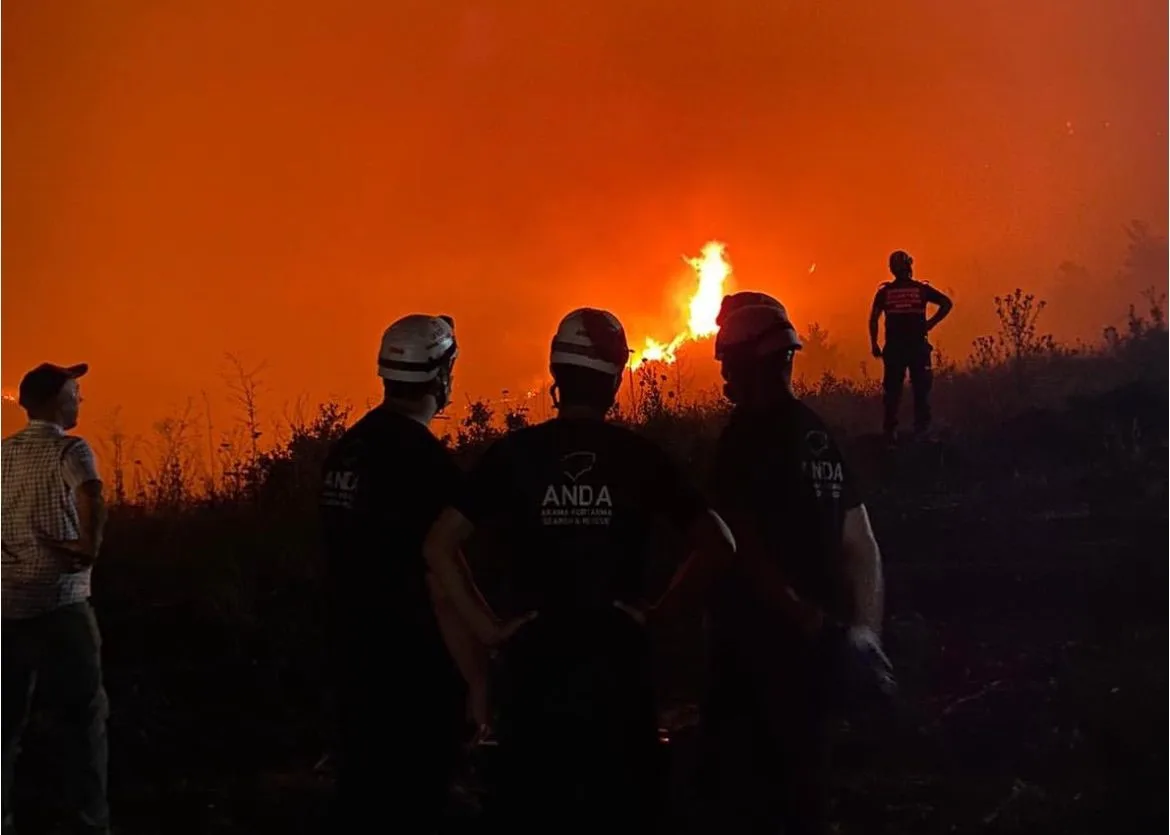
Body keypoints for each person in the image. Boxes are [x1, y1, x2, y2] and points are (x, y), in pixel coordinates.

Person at [422, 307, 738, 833]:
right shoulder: (641, 457)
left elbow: (437, 547)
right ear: (615, 380)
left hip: (532, 680)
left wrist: (491, 631)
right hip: (620, 680)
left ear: (555, 376)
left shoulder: (513, 456)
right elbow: (718, 544)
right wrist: (659, 616)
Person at [696, 293, 894, 835]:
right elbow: (863, 542)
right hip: (818, 651)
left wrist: (797, 613)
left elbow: (739, 545)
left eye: (726, 365)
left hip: (758, 653)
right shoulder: (818, 434)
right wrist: (862, 635)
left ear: (743, 363)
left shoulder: (744, 440)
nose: (725, 378)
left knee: (741, 794)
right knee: (805, 788)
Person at [318, 314, 508, 833]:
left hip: (351, 656)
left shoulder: (347, 451)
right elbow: (440, 580)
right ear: (442, 373)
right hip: (412, 668)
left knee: (362, 794)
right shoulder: (423, 462)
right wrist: (478, 677)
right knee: (417, 799)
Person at [2, 362, 110, 835]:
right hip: (62, 605)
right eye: (75, 393)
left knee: (5, 726)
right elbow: (92, 494)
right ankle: (89, 825)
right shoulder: (72, 448)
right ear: (55, 401)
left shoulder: (2, 455)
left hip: (6, 607)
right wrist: (88, 547)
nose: (80, 400)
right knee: (84, 720)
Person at [868, 250, 954, 440]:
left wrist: (874, 343)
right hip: (917, 347)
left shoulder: (885, 292)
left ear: (892, 269)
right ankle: (921, 430)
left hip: (895, 348)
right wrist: (931, 323)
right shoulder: (921, 290)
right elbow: (947, 303)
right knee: (921, 389)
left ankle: (891, 431)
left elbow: (873, 319)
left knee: (893, 391)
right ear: (909, 266)